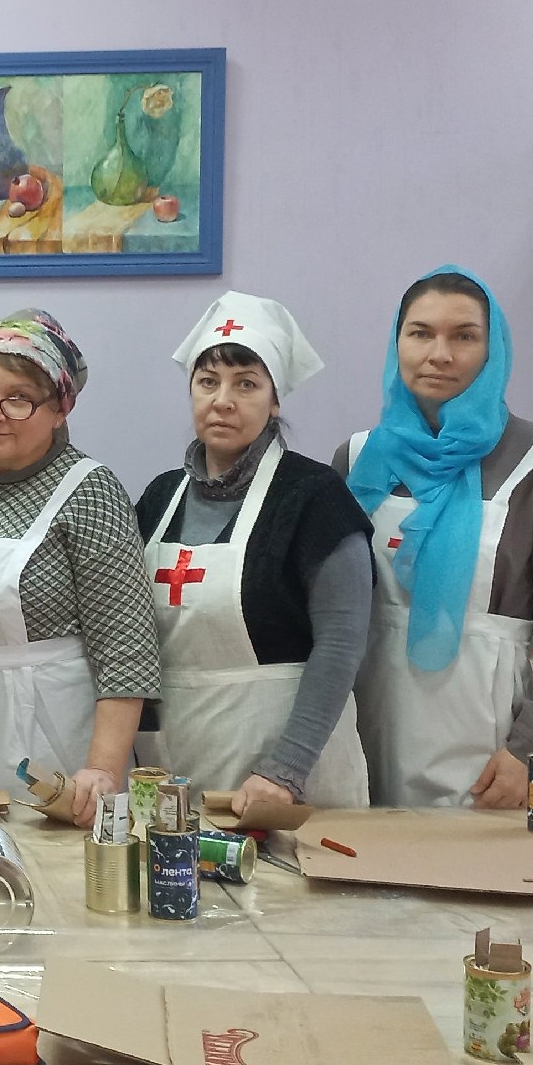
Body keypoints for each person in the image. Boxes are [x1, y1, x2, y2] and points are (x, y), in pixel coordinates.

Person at [337, 269, 533, 809]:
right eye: (420, 333)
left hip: (487, 738)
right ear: (397, 343)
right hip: (366, 720)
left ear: (491, 349)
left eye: (464, 336)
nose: (440, 354)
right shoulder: (357, 459)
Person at [135, 293, 374, 813]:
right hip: (178, 758)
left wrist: (286, 769)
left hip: (288, 774)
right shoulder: (159, 497)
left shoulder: (315, 496)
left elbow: (341, 644)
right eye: (208, 382)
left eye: (246, 383)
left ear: (275, 400)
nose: (223, 400)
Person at [0, 311, 159, 820]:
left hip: (61, 744)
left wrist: (102, 769)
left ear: (60, 409)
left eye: (19, 399)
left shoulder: (89, 491)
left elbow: (127, 648)